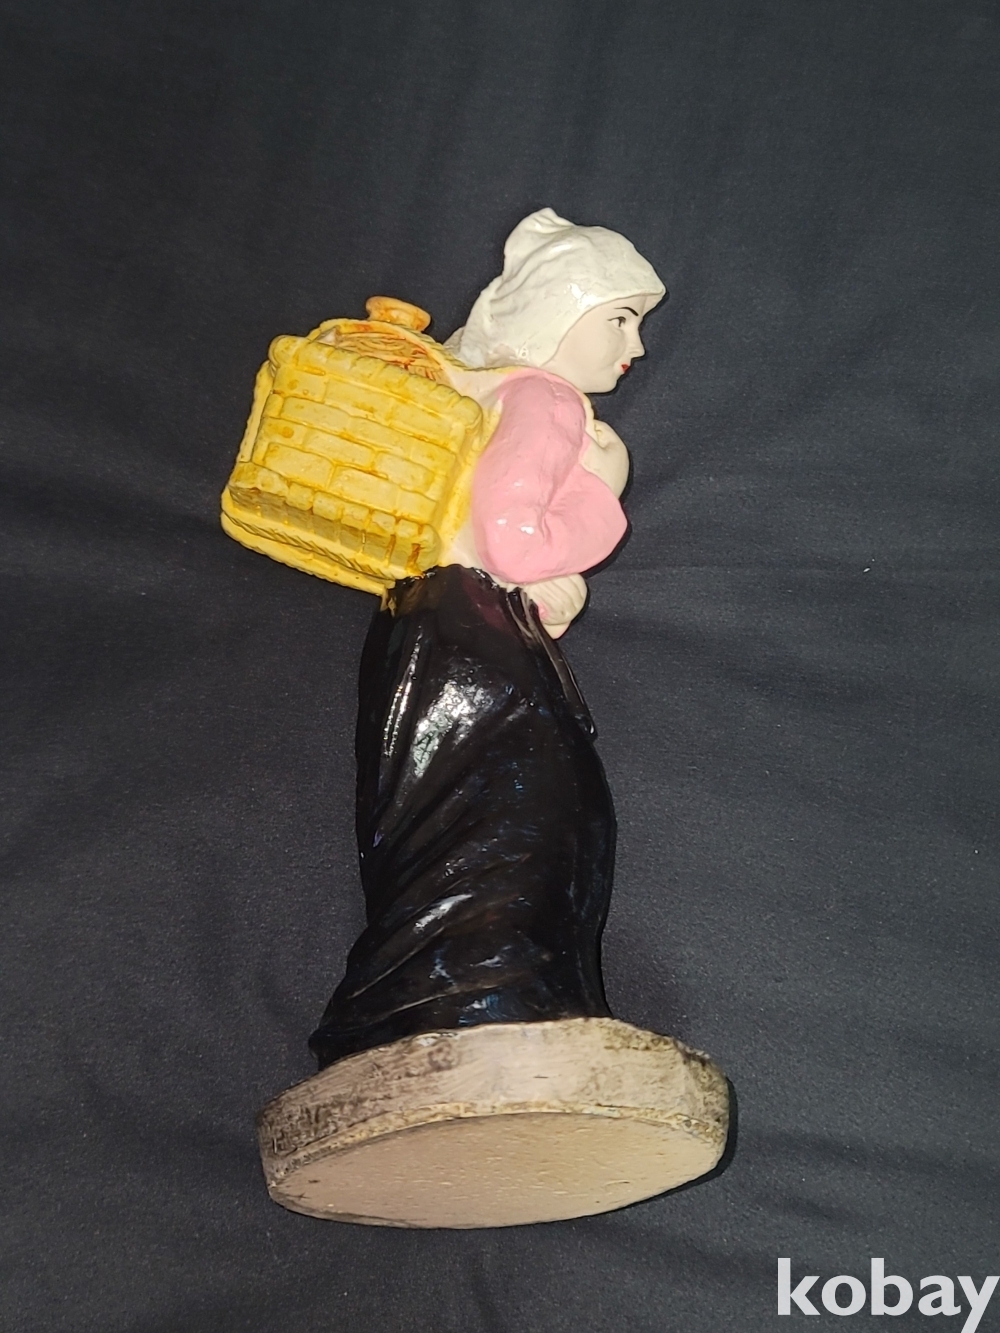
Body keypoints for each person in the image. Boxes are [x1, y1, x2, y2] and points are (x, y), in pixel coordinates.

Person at [309, 209, 665, 1068]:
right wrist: (602, 493)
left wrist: (543, 594)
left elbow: (503, 552)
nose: (637, 346)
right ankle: (481, 1010)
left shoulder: (490, 394)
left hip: (437, 632)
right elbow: (511, 541)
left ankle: (429, 1015)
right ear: (557, 313)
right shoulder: (544, 398)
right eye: (620, 319)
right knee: (529, 828)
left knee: (466, 829)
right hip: (469, 640)